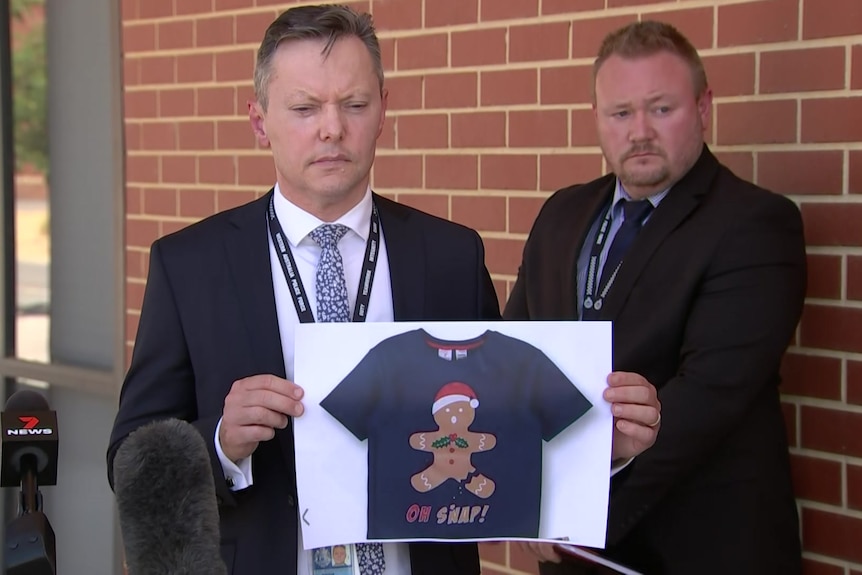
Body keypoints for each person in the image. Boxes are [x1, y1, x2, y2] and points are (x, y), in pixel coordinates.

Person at [107, 5, 661, 575]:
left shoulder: (450, 255)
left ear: (382, 112)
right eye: (304, 108)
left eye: (354, 104)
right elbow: (129, 458)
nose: (332, 128)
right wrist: (222, 442)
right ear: (258, 121)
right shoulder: (189, 265)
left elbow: (500, 425)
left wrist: (600, 449)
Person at [506, 20, 806, 575]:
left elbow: (706, 400)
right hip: (572, 556)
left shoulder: (755, 224)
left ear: (703, 107)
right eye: (621, 113)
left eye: (661, 109)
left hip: (700, 549)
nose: (639, 130)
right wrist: (525, 497)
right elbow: (517, 360)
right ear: (598, 118)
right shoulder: (562, 214)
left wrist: (570, 507)